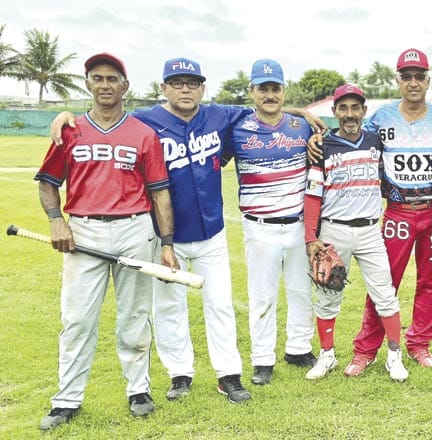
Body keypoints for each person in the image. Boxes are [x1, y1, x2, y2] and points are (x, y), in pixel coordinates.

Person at [49, 57, 326, 403]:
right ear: (163, 87)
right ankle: (180, 374)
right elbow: (105, 115)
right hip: (165, 234)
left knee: (220, 303)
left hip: (211, 230)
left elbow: (266, 108)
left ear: (202, 88)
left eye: (192, 83)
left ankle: (228, 374)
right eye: (177, 83)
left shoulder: (219, 115)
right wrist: (67, 116)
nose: (185, 89)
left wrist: (301, 112)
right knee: (168, 307)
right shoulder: (143, 119)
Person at [36, 53, 178, 430]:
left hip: (134, 228)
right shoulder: (69, 131)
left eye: (112, 79)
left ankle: (138, 390)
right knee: (78, 319)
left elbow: (160, 192)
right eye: (97, 78)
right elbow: (49, 183)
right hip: (83, 231)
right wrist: (56, 221)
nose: (104, 85)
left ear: (124, 87)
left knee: (133, 316)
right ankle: (67, 400)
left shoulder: (143, 134)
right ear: (88, 84)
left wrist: (166, 242)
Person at [345, 48, 432, 375]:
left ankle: (419, 343)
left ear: (428, 81)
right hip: (398, 212)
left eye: (419, 77)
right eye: (407, 77)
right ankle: (366, 349)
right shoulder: (380, 118)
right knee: (383, 281)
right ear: (398, 80)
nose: (413, 83)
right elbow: (349, 136)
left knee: (431, 280)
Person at [303, 84, 409, 382]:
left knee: (385, 295)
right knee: (327, 296)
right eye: (343, 108)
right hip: (333, 230)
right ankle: (327, 356)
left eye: (355, 108)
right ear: (334, 112)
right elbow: (312, 196)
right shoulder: (322, 146)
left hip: (369, 231)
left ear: (364, 111)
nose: (349, 114)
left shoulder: (376, 140)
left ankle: (394, 356)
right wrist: (311, 238)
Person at [222, 59, 318, 385]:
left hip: (298, 223)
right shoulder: (237, 127)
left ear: (283, 90)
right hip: (259, 224)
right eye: (263, 88)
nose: (270, 95)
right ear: (252, 91)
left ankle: (299, 348)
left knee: (300, 289)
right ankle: (263, 360)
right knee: (262, 294)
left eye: (275, 88)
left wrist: (304, 113)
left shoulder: (300, 126)